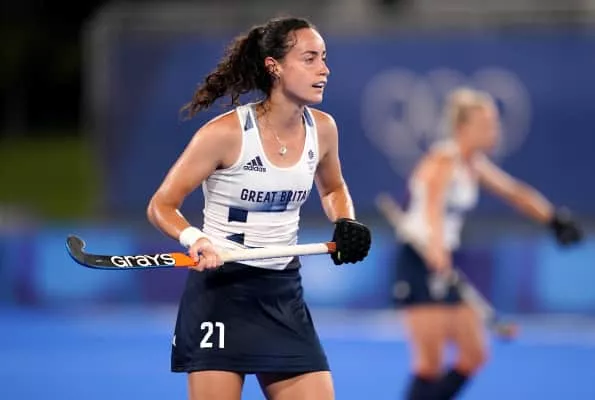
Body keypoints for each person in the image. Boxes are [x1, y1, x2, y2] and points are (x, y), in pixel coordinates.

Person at [146, 16, 371, 400]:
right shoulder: (224, 134)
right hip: (221, 292)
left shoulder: (324, 129)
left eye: (324, 57)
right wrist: (195, 239)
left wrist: (345, 221)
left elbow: (333, 188)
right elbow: (162, 205)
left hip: (282, 292)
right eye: (310, 59)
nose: (324, 69)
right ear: (274, 67)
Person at [392, 87, 582, 400]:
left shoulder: (473, 163)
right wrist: (437, 249)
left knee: (474, 354)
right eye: (486, 124)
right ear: (462, 127)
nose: (495, 130)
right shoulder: (443, 159)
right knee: (429, 365)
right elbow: (432, 208)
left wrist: (553, 219)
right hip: (420, 259)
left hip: (442, 258)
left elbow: (514, 192)